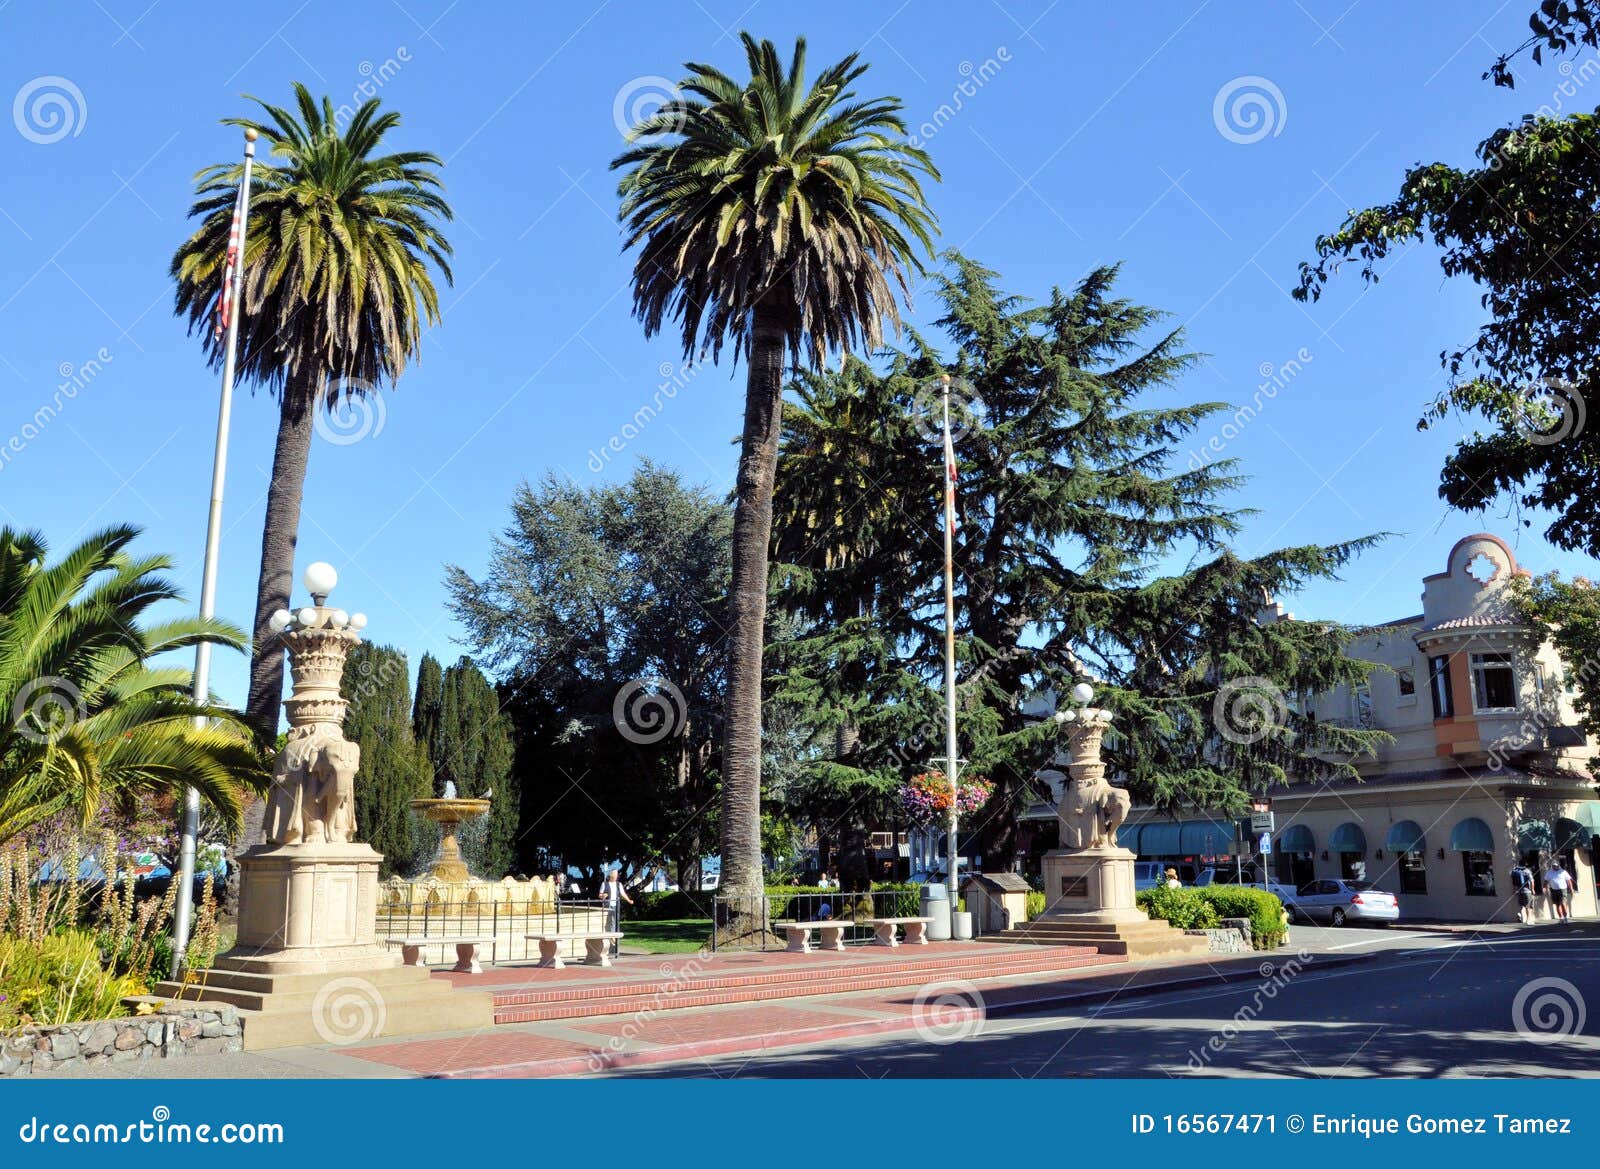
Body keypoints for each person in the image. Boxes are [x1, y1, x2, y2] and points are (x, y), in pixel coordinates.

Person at [600, 867, 633, 954]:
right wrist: (603, 895)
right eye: (614, 874)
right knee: (610, 921)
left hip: (616, 905)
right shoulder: (604, 884)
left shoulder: (619, 884)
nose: (616, 876)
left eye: (616, 874)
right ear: (610, 875)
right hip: (608, 905)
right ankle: (612, 938)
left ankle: (613, 939)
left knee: (615, 922)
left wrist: (629, 900)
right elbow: (600, 895)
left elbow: (623, 893)